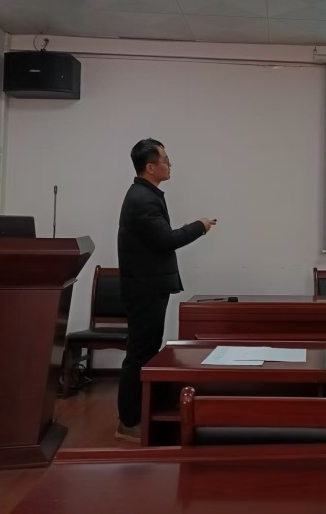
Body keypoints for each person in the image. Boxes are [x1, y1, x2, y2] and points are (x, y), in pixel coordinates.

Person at [115, 138, 216, 442]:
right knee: (140, 352)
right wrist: (199, 226)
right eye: (165, 160)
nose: (169, 164)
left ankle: (141, 414)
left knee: (146, 349)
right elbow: (165, 240)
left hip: (147, 285)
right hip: (145, 287)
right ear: (150, 167)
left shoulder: (146, 194)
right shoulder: (142, 199)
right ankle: (129, 421)